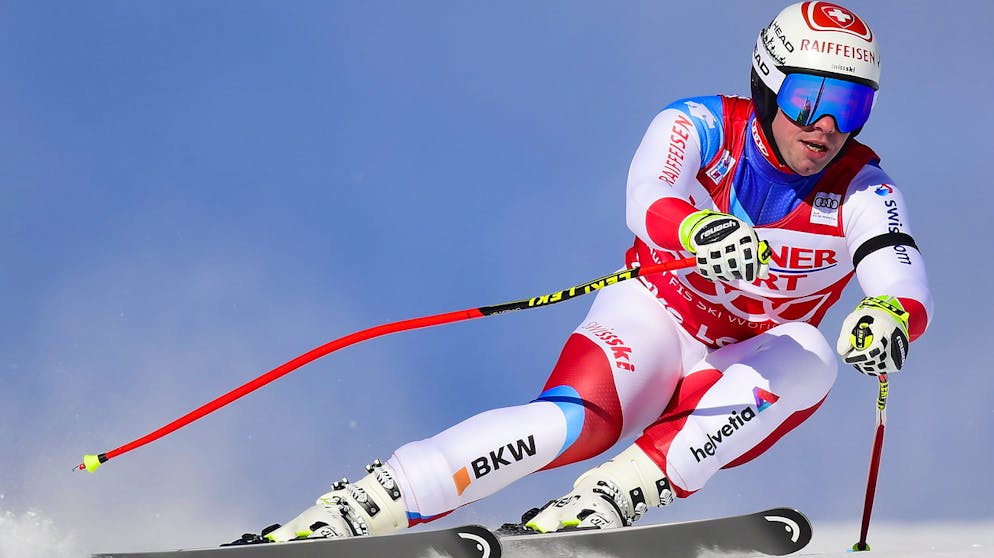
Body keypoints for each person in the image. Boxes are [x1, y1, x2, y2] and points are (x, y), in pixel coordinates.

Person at [257, 1, 932, 542]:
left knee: (813, 354)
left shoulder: (864, 188)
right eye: (811, 99)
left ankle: (616, 493)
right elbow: (649, 195)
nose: (825, 127)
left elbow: (895, 265)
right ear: (768, 81)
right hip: (657, 317)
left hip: (745, 369)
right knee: (565, 426)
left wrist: (890, 317)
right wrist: (695, 228)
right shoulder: (699, 124)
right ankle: (363, 507)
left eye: (851, 107)